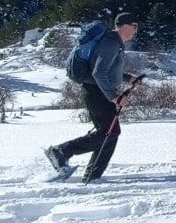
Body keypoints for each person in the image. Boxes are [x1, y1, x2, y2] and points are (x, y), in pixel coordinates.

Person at [46, 12, 141, 183]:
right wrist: (115, 97)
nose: (135, 31)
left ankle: (92, 175)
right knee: (109, 133)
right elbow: (98, 72)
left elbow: (107, 70)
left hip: (97, 92)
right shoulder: (111, 43)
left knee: (108, 133)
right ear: (126, 26)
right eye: (135, 27)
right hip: (97, 93)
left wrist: (129, 78)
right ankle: (63, 152)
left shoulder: (113, 42)